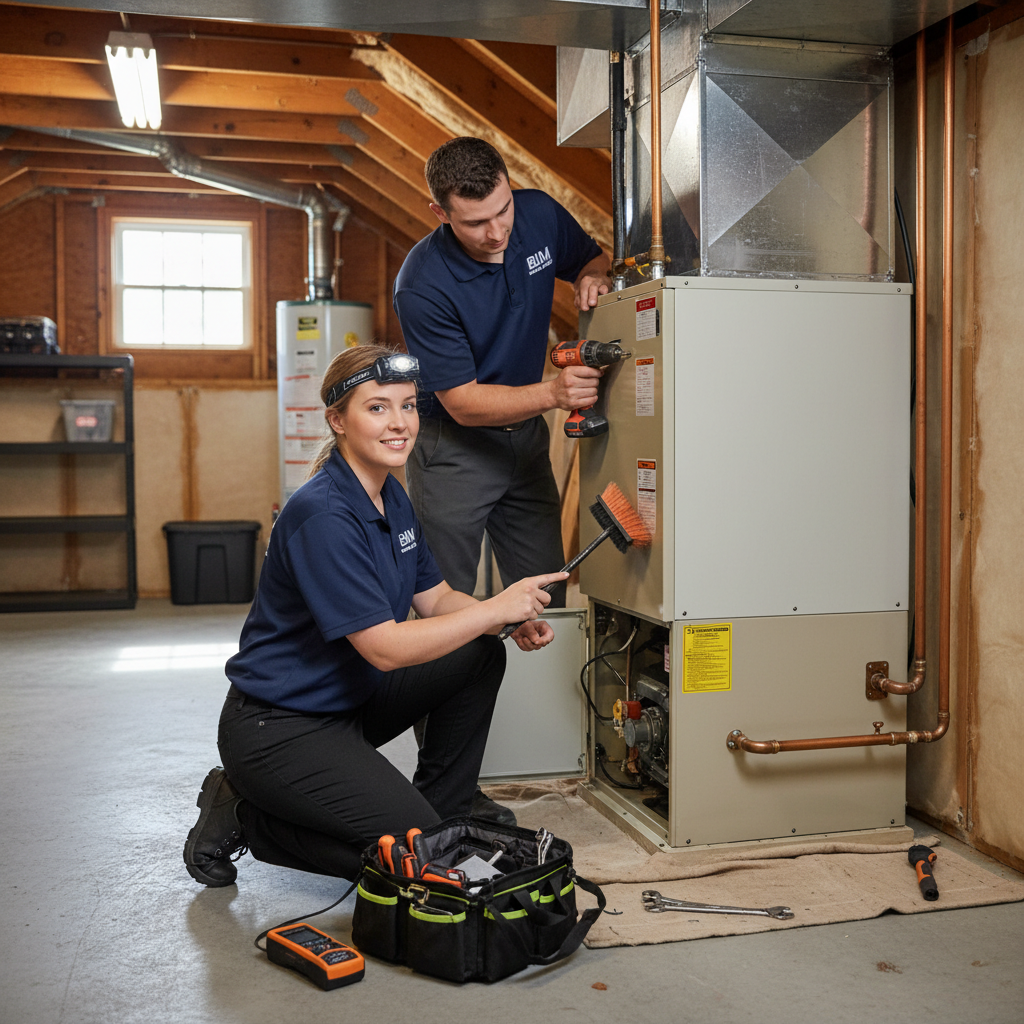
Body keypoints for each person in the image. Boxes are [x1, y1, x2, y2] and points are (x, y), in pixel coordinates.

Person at [183, 344, 567, 887]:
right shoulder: (323, 514)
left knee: (479, 653)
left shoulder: (391, 496)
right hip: (279, 727)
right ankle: (244, 816)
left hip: (349, 702)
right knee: (411, 871)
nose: (399, 423)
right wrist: (494, 609)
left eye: (408, 406)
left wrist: (501, 616)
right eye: (378, 407)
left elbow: (435, 599)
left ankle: (442, 818)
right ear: (337, 420)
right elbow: (384, 648)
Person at [393, 137, 610, 610]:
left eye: (503, 209)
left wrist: (593, 275)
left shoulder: (539, 214)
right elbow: (464, 404)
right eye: (475, 222)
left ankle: (526, 683)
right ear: (440, 213)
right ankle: (453, 685)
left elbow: (592, 258)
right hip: (453, 449)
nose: (496, 232)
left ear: (510, 187)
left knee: (545, 595)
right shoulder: (422, 285)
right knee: (442, 602)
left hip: (525, 441)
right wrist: (554, 393)